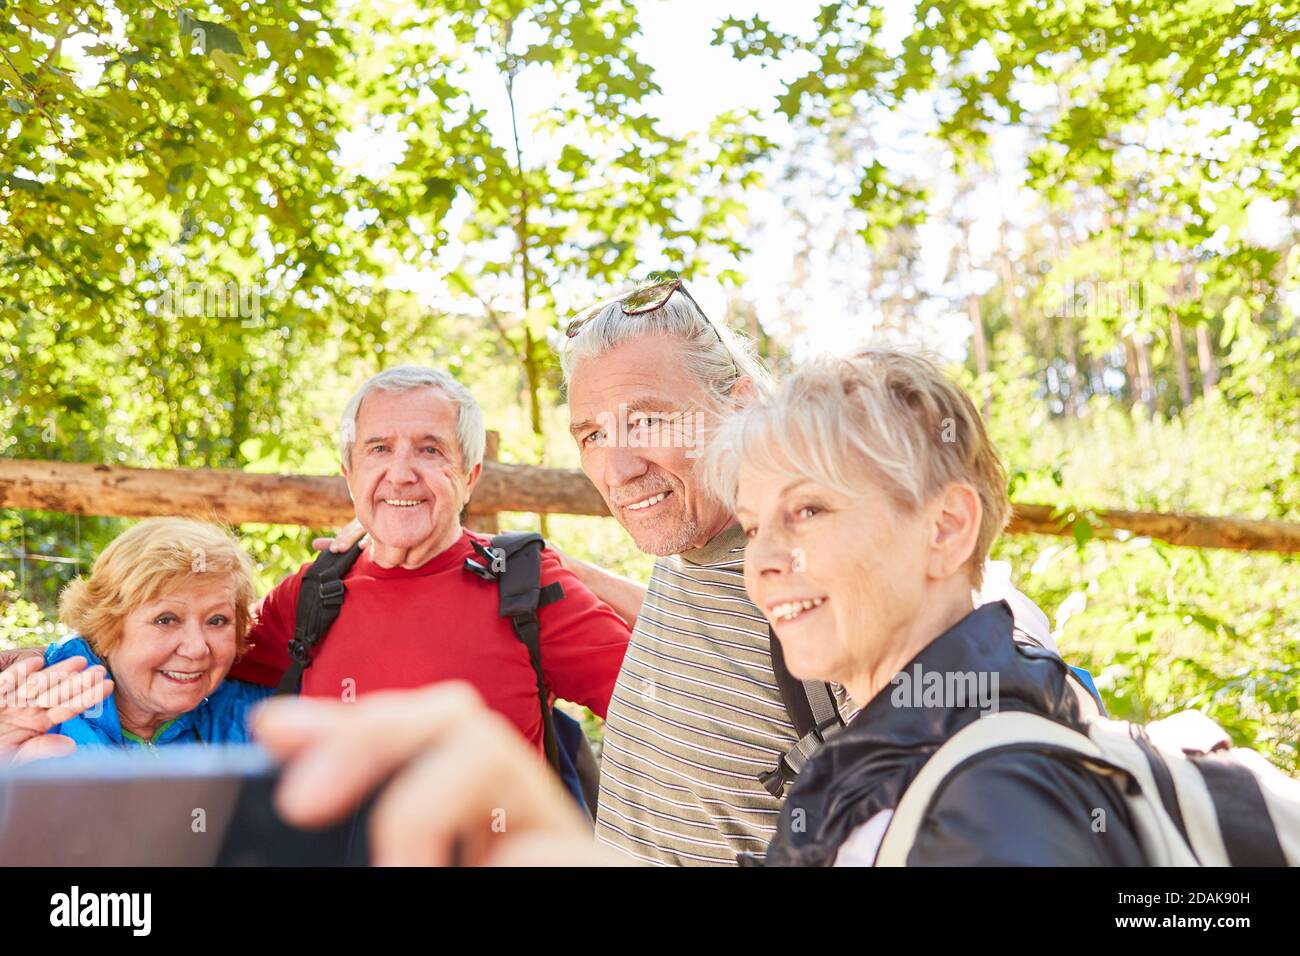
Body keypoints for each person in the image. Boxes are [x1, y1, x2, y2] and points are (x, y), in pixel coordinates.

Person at [250, 347, 1140, 867]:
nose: (764, 566)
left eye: (810, 512)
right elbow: (202, 692)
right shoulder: (309, 594)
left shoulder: (981, 778)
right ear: (350, 471)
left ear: (470, 474)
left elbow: (654, 670)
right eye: (755, 526)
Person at [554, 277, 1060, 864]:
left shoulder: (814, 582)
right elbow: (720, 642)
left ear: (738, 403)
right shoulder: (689, 542)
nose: (617, 470)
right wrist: (579, 576)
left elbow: (958, 646)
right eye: (592, 435)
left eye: (645, 421)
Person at [0, 518, 273, 759]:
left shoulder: (257, 717)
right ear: (107, 625)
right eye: (166, 619)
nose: (197, 648)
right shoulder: (23, 704)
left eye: (217, 620)